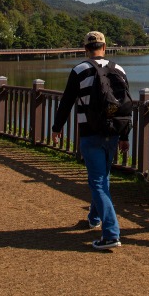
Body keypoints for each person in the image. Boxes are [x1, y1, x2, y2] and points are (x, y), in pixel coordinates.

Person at [53, 31, 131, 250]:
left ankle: (111, 234)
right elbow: (126, 103)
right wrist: (124, 136)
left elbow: (67, 102)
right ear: (105, 47)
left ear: (85, 49)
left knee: (97, 182)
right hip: (114, 133)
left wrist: (56, 128)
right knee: (103, 177)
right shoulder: (119, 69)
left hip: (90, 132)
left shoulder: (79, 70)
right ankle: (94, 218)